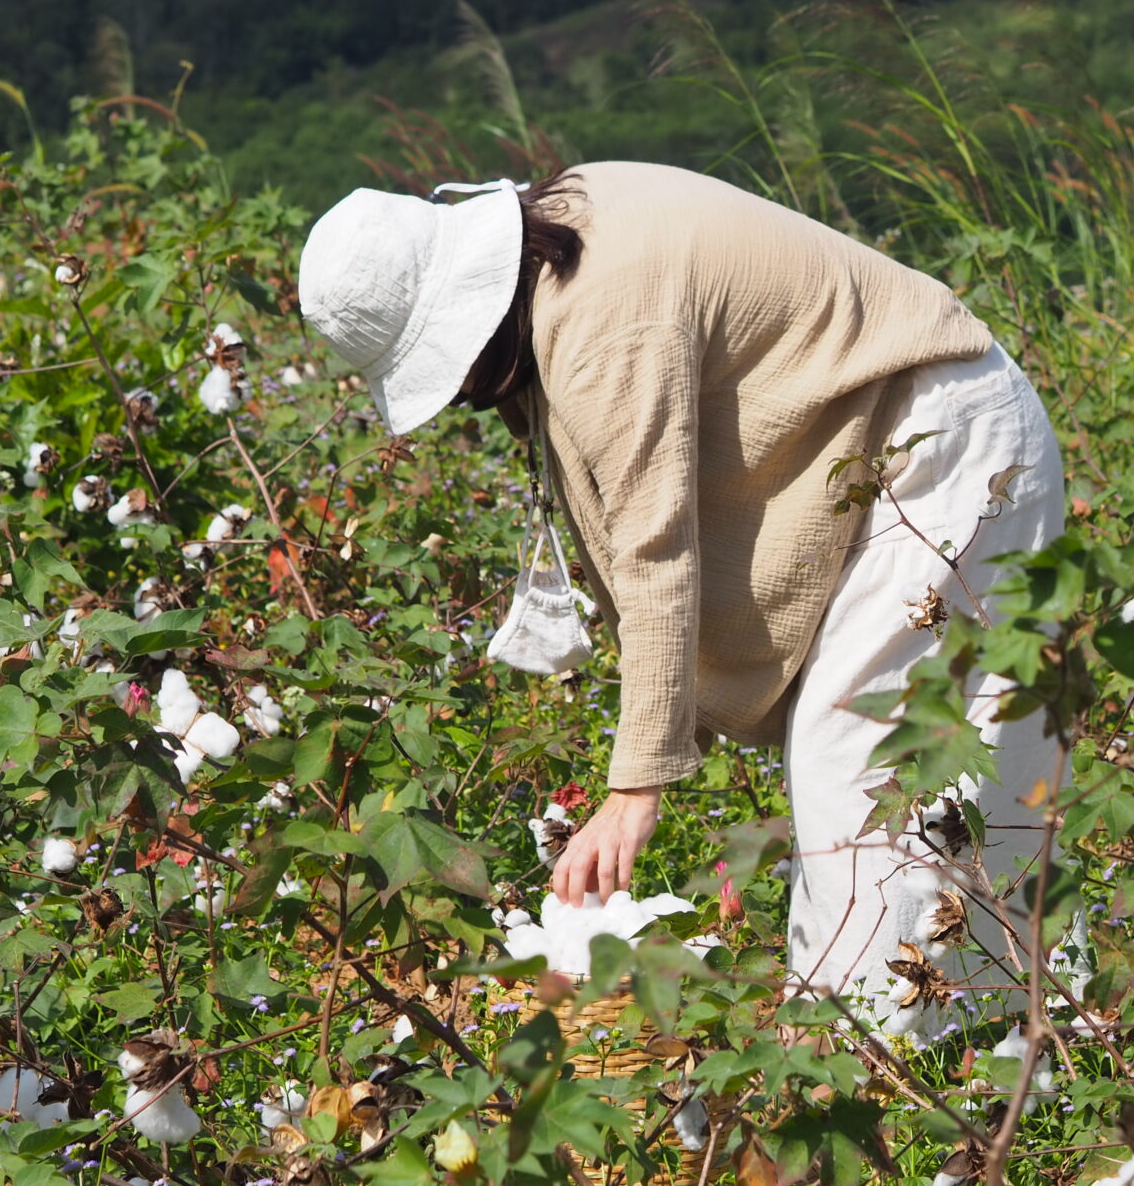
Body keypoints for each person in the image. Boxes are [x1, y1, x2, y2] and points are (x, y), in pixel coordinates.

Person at [299, 161, 1067, 1032]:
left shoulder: (602, 324)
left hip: (945, 448)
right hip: (911, 442)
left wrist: (636, 786)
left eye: (455, 382)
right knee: (911, 784)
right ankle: (981, 1050)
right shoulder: (566, 238)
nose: (469, 404)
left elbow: (657, 549)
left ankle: (876, 1084)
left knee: (855, 772)